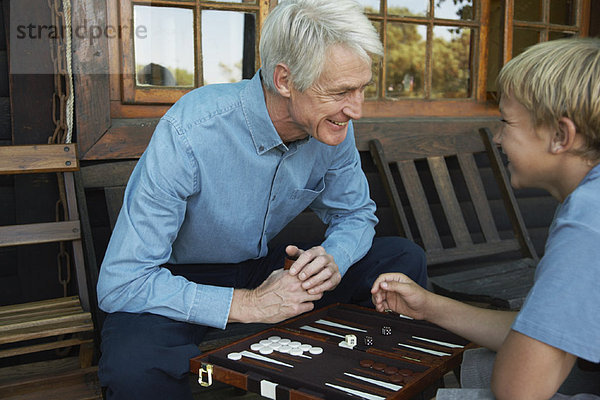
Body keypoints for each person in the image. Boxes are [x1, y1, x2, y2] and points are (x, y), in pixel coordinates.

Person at [96, 0, 427, 399]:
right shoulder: (192, 130)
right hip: (176, 280)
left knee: (401, 262)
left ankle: (379, 376)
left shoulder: (332, 126)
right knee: (133, 368)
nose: (355, 109)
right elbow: (122, 281)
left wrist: (334, 258)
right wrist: (248, 304)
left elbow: (356, 214)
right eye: (341, 92)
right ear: (285, 80)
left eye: (361, 89)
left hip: (267, 271)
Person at [371, 37, 600, 400]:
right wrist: (429, 305)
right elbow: (538, 332)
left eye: (506, 123)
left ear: (561, 135)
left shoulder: (589, 219)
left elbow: (517, 391)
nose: (497, 138)